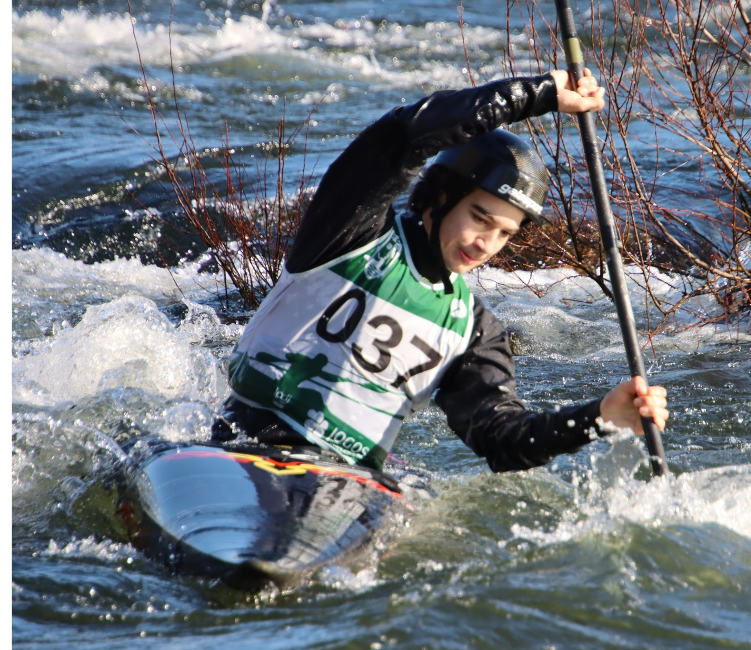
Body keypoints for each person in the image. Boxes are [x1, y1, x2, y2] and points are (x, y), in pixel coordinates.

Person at [214, 69, 668, 472]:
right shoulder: (348, 231)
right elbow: (407, 134)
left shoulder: (474, 329)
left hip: (343, 480)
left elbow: (500, 437)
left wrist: (599, 418)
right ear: (439, 196)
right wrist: (539, 94)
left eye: (504, 234)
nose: (485, 244)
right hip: (242, 442)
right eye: (480, 218)